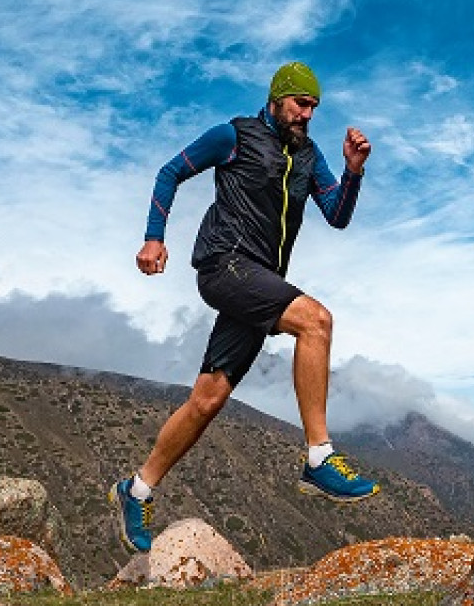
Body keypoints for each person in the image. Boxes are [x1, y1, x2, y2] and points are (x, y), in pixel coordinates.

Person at [110, 61, 378, 552]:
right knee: (316, 321)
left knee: (208, 399)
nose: (307, 114)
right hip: (223, 264)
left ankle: (137, 489)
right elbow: (171, 171)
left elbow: (336, 216)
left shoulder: (310, 156)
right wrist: (153, 238)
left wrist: (352, 173)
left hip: (259, 283)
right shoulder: (235, 135)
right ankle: (319, 457)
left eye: (314, 107)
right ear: (277, 99)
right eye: (300, 103)